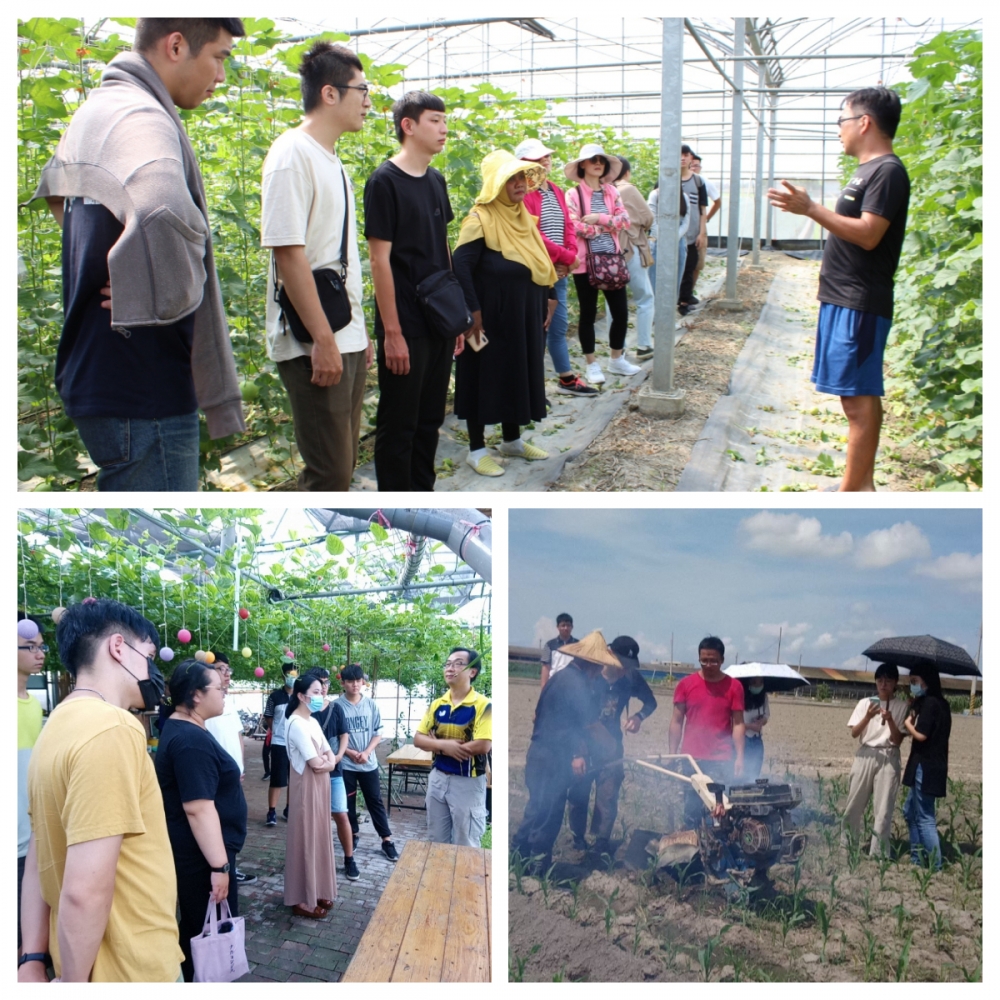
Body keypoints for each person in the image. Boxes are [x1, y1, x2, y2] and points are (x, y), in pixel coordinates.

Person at [31, 18, 246, 491]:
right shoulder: (142, 116)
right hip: (143, 386)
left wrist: (120, 262)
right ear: (175, 46)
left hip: (101, 373)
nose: (221, 76)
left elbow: (54, 192)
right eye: (219, 57)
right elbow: (161, 205)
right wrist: (152, 288)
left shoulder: (99, 109)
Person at [19, 599, 183, 982]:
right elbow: (84, 890)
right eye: (148, 655)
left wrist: (32, 956)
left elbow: (39, 857)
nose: (153, 671)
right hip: (132, 968)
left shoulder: (55, 727)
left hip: (75, 960)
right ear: (118, 648)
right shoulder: (113, 728)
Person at [767, 87, 910, 492]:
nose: (839, 131)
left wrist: (811, 209)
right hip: (843, 297)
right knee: (853, 395)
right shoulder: (867, 170)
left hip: (860, 299)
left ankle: (853, 492)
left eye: (841, 121)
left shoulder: (887, 171)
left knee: (859, 395)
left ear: (864, 122)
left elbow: (869, 235)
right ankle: (860, 485)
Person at [261, 41, 374, 492]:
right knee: (329, 473)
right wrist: (325, 340)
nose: (368, 102)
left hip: (341, 332)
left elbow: (336, 255)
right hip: (314, 339)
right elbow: (288, 254)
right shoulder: (292, 155)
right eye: (362, 90)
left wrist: (357, 333)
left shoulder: (332, 160)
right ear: (330, 93)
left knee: (342, 466)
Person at [365, 91, 464, 491]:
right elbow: (379, 261)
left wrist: (456, 315)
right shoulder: (384, 182)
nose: (444, 129)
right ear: (408, 126)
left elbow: (442, 248)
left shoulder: (436, 181)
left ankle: (423, 497)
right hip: (404, 322)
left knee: (430, 420)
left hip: (438, 319)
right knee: (399, 423)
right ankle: (394, 508)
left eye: (444, 121)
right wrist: (392, 332)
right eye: (435, 120)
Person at [452, 150, 557, 476]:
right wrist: (473, 312)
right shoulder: (480, 219)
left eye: (522, 177)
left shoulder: (522, 217)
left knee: (516, 372)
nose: (520, 184)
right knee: (482, 375)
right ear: (496, 184)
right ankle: (477, 449)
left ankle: (511, 440)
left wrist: (550, 295)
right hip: (490, 319)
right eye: (511, 178)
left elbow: (538, 261)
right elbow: (461, 267)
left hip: (523, 316)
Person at [155, 659, 247, 981]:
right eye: (219, 688)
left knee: (198, 925)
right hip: (201, 858)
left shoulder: (187, 729)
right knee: (203, 931)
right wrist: (219, 867)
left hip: (202, 854)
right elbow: (198, 809)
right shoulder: (190, 740)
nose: (225, 693)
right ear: (196, 695)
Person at [511, 632, 617, 873]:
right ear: (593, 664)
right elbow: (590, 725)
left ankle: (517, 859)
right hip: (553, 759)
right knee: (549, 813)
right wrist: (611, 747)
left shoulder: (559, 678)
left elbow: (562, 722)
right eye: (601, 665)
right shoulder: (577, 685)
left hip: (538, 753)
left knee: (536, 808)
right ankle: (537, 867)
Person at [517, 138, 596, 397]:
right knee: (535, 329)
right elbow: (534, 235)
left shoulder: (555, 190)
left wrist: (570, 256)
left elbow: (568, 226)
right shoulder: (523, 194)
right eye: (538, 158)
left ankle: (565, 378)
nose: (545, 161)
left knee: (558, 325)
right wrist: (565, 257)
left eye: (547, 157)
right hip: (536, 273)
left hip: (558, 271)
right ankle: (531, 388)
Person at [568, 635, 656, 857]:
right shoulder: (590, 674)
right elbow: (574, 716)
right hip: (584, 744)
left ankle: (601, 841)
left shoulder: (630, 678)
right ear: (609, 654)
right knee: (579, 793)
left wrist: (638, 717)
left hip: (612, 746)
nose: (625, 669)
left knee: (608, 795)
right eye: (622, 664)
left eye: (629, 666)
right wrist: (577, 752)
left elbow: (651, 702)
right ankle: (577, 838)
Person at [564, 144, 641, 383]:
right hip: (585, 263)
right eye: (593, 159)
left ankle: (616, 360)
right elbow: (574, 225)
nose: (598, 163)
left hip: (611, 260)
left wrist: (599, 218)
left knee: (620, 313)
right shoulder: (573, 194)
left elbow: (625, 221)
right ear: (582, 165)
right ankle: (592, 364)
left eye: (602, 160)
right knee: (587, 314)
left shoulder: (612, 192)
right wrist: (606, 225)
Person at [414, 648, 492, 846]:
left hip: (468, 782)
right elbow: (418, 739)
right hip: (438, 778)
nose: (450, 668)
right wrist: (444, 746)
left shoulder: (483, 705)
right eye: (448, 664)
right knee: (436, 840)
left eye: (458, 663)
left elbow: (483, 745)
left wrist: (433, 744)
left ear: (472, 671)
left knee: (465, 842)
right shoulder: (437, 704)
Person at [668, 637, 745, 828]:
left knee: (720, 808)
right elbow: (677, 721)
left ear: (722, 660)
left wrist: (740, 757)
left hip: (721, 758)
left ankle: (718, 851)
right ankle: (693, 849)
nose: (709, 665)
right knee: (692, 808)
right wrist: (672, 752)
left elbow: (738, 724)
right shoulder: (685, 685)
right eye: (704, 660)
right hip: (691, 759)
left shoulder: (734, 687)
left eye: (714, 661)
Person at [284, 672, 338, 917]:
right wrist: (328, 763)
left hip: (321, 785)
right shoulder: (295, 723)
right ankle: (302, 898)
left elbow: (329, 755)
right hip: (306, 787)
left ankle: (317, 890)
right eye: (315, 692)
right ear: (301, 696)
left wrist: (327, 762)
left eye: (322, 691)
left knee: (319, 836)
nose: (320, 696)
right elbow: (317, 762)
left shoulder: (313, 722)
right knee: (305, 839)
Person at [842, 662, 907, 857]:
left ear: (895, 683)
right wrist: (868, 717)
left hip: (889, 755)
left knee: (883, 809)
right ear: (876, 682)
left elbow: (897, 740)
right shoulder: (864, 703)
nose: (883, 684)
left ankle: (878, 853)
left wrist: (891, 720)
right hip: (865, 754)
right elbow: (855, 733)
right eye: (880, 680)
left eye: (888, 680)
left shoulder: (901, 706)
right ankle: (847, 845)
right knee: (853, 804)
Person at [337, 664, 399, 861]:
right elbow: (332, 737)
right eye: (350, 681)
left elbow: (378, 732)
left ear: (363, 682)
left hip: (368, 762)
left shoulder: (371, 705)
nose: (355, 685)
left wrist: (366, 752)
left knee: (375, 801)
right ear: (343, 683)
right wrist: (349, 752)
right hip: (346, 764)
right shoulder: (336, 706)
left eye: (358, 681)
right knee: (348, 802)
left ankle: (386, 839)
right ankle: (352, 835)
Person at [204, 652, 256, 885]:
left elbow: (237, 735)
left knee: (233, 824)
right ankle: (218, 870)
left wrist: (240, 766)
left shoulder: (229, 701)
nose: (226, 674)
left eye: (227, 669)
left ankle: (230, 867)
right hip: (215, 777)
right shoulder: (204, 702)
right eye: (220, 668)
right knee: (216, 825)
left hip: (233, 775)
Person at [600, 158, 655, 361]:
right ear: (626, 172)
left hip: (608, 253)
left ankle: (618, 347)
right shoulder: (628, 189)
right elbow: (648, 217)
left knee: (613, 301)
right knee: (644, 298)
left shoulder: (601, 190)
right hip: (630, 248)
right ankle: (644, 346)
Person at [901, 661, 951, 870]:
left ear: (926, 681)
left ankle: (935, 865)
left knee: (924, 816)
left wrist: (908, 724)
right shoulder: (940, 703)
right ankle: (916, 857)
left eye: (915, 681)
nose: (912, 684)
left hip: (926, 766)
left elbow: (921, 735)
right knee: (910, 811)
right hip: (933, 765)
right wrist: (914, 708)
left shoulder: (930, 704)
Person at [310, 667, 358, 881]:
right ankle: (314, 860)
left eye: (326, 683)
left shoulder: (336, 708)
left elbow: (344, 735)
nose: (323, 687)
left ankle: (349, 859)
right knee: (313, 817)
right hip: (310, 772)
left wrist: (338, 757)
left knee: (340, 813)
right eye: (319, 683)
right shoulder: (302, 710)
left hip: (335, 771)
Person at [18, 614, 46, 956]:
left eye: (42, 646)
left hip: (32, 834)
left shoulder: (34, 704)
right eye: (30, 646)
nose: (40, 653)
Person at [263, 666, 297, 826]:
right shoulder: (275, 696)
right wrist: (277, 730)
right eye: (290, 674)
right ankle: (271, 811)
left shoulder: (300, 695)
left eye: (295, 674)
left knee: (294, 779)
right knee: (277, 779)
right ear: (283, 676)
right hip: (279, 743)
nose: (292, 677)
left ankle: (289, 809)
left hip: (297, 744)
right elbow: (268, 717)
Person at [678, 144, 708, 316]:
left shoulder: (698, 181)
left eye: (686, 154)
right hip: (673, 235)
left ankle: (684, 301)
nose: (682, 158)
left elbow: (703, 210)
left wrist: (701, 233)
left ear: (691, 158)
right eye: (679, 154)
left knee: (689, 268)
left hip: (692, 234)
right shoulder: (666, 179)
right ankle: (671, 298)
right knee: (672, 268)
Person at [690, 153, 722, 291]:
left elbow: (717, 201)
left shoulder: (703, 182)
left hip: (698, 227)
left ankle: (688, 293)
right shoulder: (677, 180)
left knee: (697, 262)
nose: (693, 168)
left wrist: (707, 218)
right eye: (692, 165)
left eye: (696, 165)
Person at [739, 678, 771, 782]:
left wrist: (761, 721)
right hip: (742, 740)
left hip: (757, 740)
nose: (757, 686)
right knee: (741, 773)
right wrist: (750, 726)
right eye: (754, 683)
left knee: (755, 773)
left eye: (760, 682)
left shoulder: (764, 697)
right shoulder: (739, 697)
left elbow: (766, 716)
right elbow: (734, 724)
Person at [540, 613, 577, 689]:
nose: (566, 628)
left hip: (572, 686)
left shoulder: (578, 645)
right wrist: (544, 687)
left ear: (572, 627)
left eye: (568, 625)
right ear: (558, 627)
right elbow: (546, 667)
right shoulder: (550, 645)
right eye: (563, 625)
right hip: (554, 685)